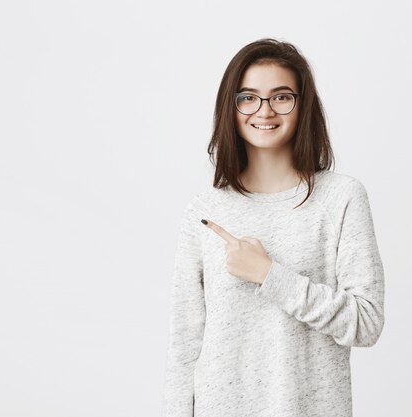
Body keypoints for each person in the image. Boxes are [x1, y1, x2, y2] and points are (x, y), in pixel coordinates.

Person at [162, 38, 385, 417]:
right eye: (248, 97)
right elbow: (185, 346)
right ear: (230, 108)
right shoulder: (205, 209)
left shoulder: (341, 198)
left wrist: (270, 275)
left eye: (281, 97)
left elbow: (365, 323)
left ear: (303, 106)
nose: (264, 110)